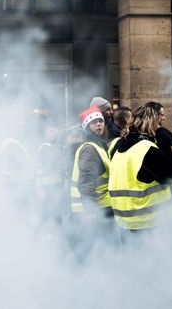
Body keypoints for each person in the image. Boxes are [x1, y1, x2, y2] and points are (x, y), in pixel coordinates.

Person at [108, 102, 172, 234]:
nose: (164, 119)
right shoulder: (146, 148)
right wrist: (164, 142)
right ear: (152, 122)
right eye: (161, 117)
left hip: (124, 220)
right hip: (149, 220)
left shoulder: (116, 144)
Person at [68, 105, 115, 259]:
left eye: (100, 121)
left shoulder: (97, 144)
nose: (99, 124)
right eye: (94, 122)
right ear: (87, 126)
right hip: (96, 209)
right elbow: (86, 181)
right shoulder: (90, 148)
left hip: (100, 207)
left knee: (96, 249)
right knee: (96, 250)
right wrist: (90, 210)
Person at [34, 125, 66, 227]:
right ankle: (36, 235)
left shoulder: (58, 146)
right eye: (51, 130)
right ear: (46, 133)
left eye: (55, 130)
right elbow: (53, 164)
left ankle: (58, 235)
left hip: (56, 183)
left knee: (55, 211)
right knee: (49, 212)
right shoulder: (45, 147)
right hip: (48, 185)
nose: (53, 133)